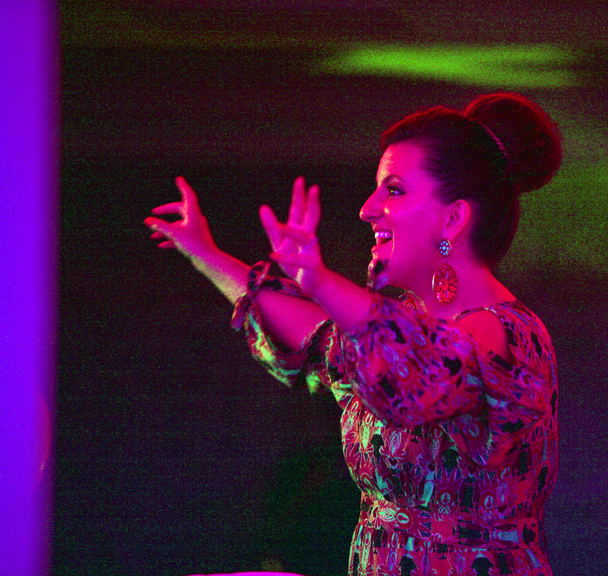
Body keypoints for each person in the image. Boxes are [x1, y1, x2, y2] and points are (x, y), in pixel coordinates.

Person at [145, 92, 562, 576]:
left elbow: (420, 371)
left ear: (452, 218)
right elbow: (314, 338)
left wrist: (319, 280)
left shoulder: (505, 335)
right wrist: (205, 252)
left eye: (394, 190)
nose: (367, 209)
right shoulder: (396, 332)